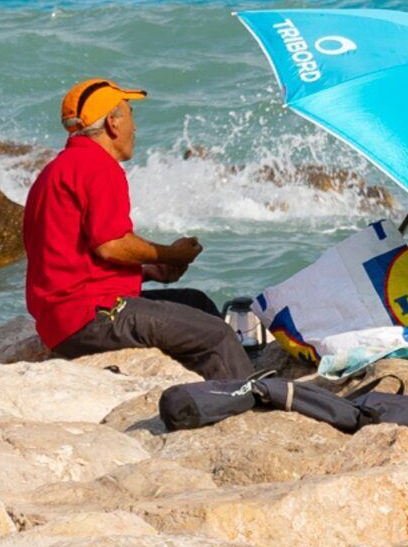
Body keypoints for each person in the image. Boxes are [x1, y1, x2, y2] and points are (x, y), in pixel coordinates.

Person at [24, 78, 259, 380]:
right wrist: (172, 254)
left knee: (196, 303)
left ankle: (215, 379)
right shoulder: (98, 166)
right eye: (131, 115)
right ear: (112, 123)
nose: (135, 128)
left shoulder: (59, 168)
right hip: (89, 318)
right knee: (215, 335)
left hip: (62, 318)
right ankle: (246, 396)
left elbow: (73, 255)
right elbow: (111, 244)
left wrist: (148, 268)